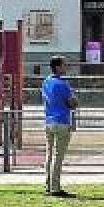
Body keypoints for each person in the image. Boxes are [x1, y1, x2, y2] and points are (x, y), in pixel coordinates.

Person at [41, 56, 78, 197]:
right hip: (61, 121)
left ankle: (48, 184)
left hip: (49, 120)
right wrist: (75, 101)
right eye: (64, 65)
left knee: (49, 154)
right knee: (58, 156)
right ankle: (55, 187)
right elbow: (71, 103)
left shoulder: (46, 82)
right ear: (57, 67)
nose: (66, 67)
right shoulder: (62, 84)